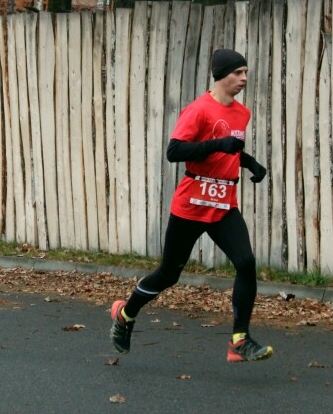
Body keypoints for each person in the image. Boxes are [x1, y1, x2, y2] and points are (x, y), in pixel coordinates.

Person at [109, 48, 272, 363]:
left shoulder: (242, 113)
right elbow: (175, 151)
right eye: (238, 73)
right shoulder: (198, 110)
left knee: (246, 263)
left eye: (246, 73)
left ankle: (239, 339)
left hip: (223, 205)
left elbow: (230, 150)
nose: (244, 78)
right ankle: (126, 315)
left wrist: (250, 163)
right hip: (191, 206)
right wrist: (218, 145)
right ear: (221, 75)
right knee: (169, 274)